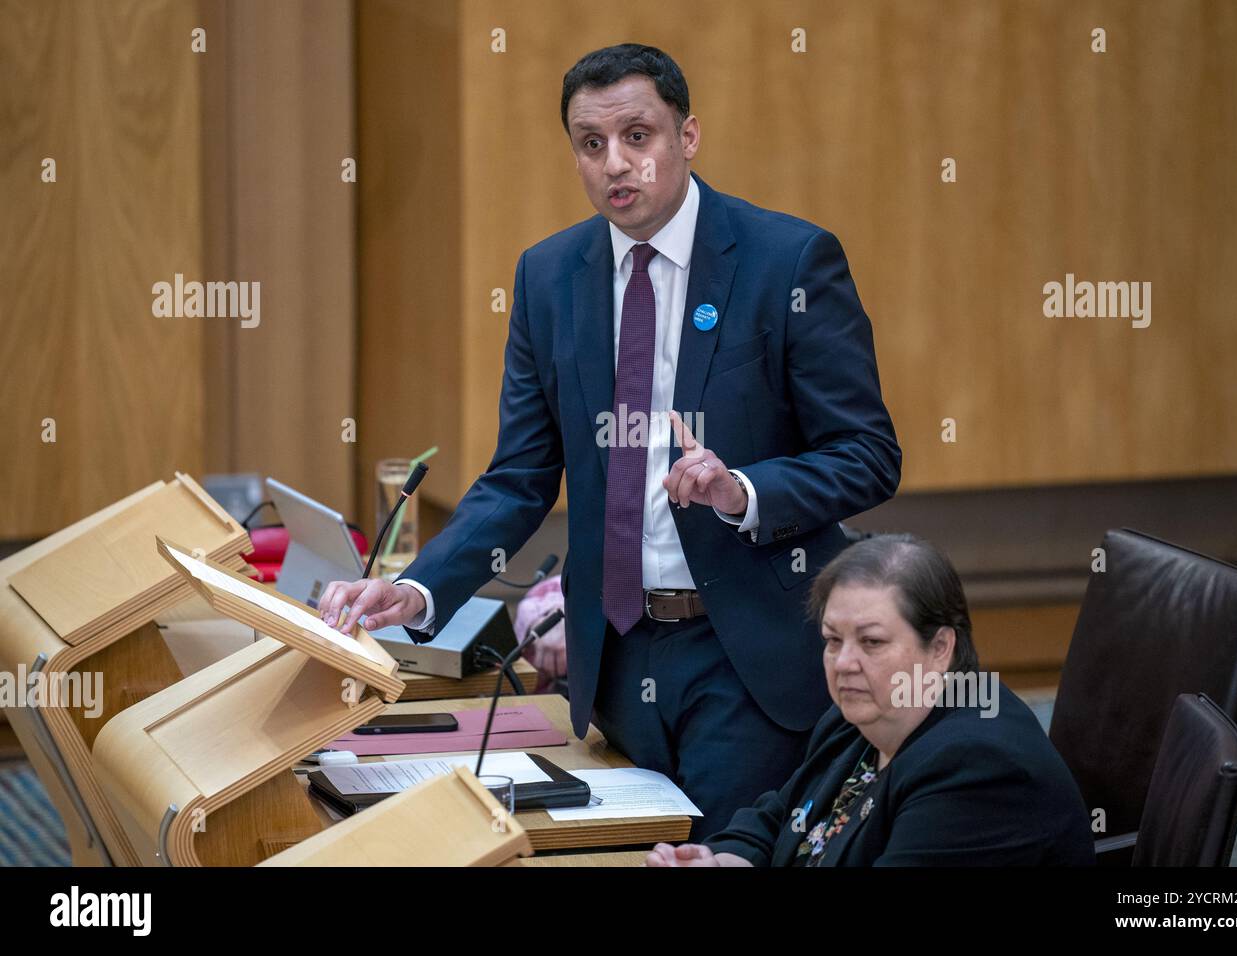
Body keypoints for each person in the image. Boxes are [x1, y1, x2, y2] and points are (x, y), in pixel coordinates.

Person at [318, 43, 901, 837]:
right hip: (619, 659)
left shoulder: (787, 261)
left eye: (639, 136)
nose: (616, 164)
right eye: (592, 145)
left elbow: (868, 454)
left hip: (746, 659)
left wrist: (745, 491)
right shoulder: (549, 277)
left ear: (687, 137)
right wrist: (418, 591)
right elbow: (521, 475)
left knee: (725, 855)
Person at [647, 534, 1096, 866]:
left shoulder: (978, 767)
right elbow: (778, 818)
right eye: (832, 640)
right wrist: (718, 862)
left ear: (940, 648)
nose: (844, 663)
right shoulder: (860, 716)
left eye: (872, 642)